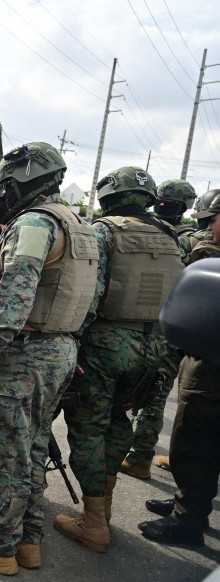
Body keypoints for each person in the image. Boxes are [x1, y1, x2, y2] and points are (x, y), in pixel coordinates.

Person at [0, 141, 97, 576]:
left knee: (8, 453)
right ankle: (29, 540)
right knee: (30, 448)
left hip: (24, 350)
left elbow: (20, 285)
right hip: (60, 348)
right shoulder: (77, 223)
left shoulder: (34, 223)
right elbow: (89, 294)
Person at [54, 167, 184, 554]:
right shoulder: (171, 236)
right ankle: (103, 508)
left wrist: (71, 343)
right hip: (156, 347)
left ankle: (94, 522)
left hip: (107, 344)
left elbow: (88, 296)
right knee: (118, 421)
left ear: (109, 194)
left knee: (88, 427)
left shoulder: (104, 231)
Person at [139, 200, 220, 545]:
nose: (210, 228)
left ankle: (188, 521)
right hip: (205, 355)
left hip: (212, 366)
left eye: (213, 221)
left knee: (196, 440)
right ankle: (188, 503)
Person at [120, 179, 197, 479]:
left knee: (146, 391)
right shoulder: (189, 239)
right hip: (173, 326)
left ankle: (138, 457)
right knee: (153, 391)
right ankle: (137, 452)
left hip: (143, 323)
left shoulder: (140, 228)